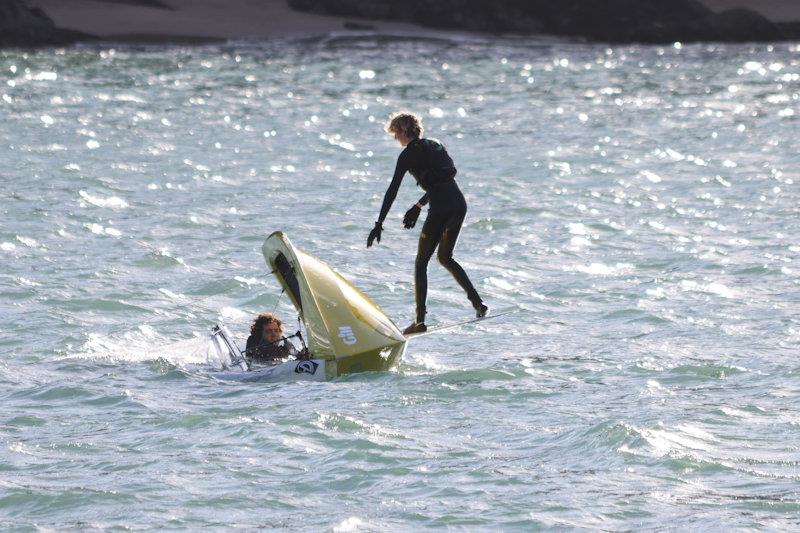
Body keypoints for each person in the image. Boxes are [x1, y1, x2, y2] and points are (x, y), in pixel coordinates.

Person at [366, 111, 488, 335]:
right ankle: (478, 304)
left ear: (403, 131)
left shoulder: (407, 156)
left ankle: (420, 321)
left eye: (395, 134)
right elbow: (443, 180)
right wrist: (419, 205)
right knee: (445, 257)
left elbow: (392, 190)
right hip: (459, 204)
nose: (395, 139)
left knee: (421, 262)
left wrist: (379, 222)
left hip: (441, 208)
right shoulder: (436, 145)